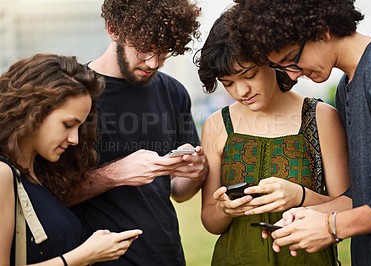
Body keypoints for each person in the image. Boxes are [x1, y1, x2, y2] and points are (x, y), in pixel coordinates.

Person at [226, 0, 371, 265]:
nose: (292, 76)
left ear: (321, 29)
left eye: (291, 59)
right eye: (280, 67)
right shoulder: (347, 87)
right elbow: (369, 194)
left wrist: (333, 227)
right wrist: (313, 215)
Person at [195, 13, 350, 266]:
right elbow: (209, 221)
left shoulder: (321, 117)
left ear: (272, 59)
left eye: (248, 75)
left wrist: (300, 196)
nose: (241, 91)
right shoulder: (216, 124)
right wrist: (224, 210)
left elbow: (349, 205)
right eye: (228, 83)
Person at [69, 0, 209, 265]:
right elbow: (48, 193)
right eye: (144, 50)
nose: (154, 63)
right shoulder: (72, 92)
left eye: (164, 52)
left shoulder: (174, 92)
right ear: (113, 29)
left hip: (166, 256)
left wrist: (196, 173)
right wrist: (115, 174)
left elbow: (179, 192)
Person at [0, 53, 143, 265]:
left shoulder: (37, 173)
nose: (75, 139)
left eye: (79, 127)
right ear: (33, 111)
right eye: (68, 125)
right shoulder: (3, 173)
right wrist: (85, 255)